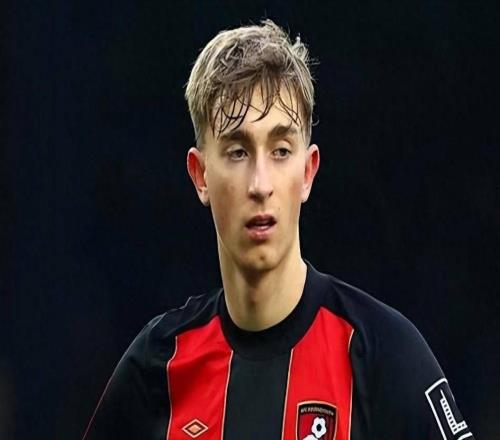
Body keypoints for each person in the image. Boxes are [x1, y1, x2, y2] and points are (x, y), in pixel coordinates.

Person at [82, 19, 474, 440]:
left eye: (281, 150)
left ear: (307, 172)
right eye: (237, 152)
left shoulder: (384, 355)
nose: (260, 184)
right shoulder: (157, 365)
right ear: (200, 175)